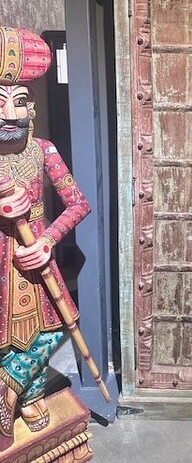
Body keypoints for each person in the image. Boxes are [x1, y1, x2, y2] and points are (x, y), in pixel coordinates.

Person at [0, 27, 90, 450]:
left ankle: (13, 390)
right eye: (0, 102)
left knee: (53, 328)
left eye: (19, 101)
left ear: (31, 107)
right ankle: (24, 395)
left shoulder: (44, 150)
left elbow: (78, 203)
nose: (10, 114)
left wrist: (48, 240)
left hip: (36, 250)